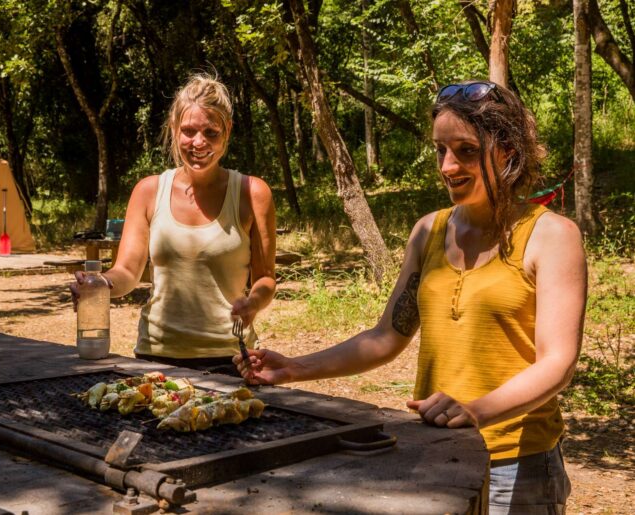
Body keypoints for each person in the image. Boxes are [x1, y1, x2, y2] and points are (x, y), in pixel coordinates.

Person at [234, 81, 586, 513]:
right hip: (439, 453)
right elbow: (387, 336)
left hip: (518, 462)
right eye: (441, 150)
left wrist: (477, 409)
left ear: (508, 149)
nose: (449, 165)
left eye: (466, 150)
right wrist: (293, 368)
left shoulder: (552, 236)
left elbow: (558, 362)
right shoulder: (429, 232)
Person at [72, 73, 276, 376]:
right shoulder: (148, 191)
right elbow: (127, 271)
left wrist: (254, 302)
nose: (199, 142)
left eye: (211, 132)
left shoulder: (252, 193)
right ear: (173, 129)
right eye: (189, 131)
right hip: (155, 357)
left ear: (227, 131)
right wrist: (102, 284)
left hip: (230, 359)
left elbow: (266, 278)